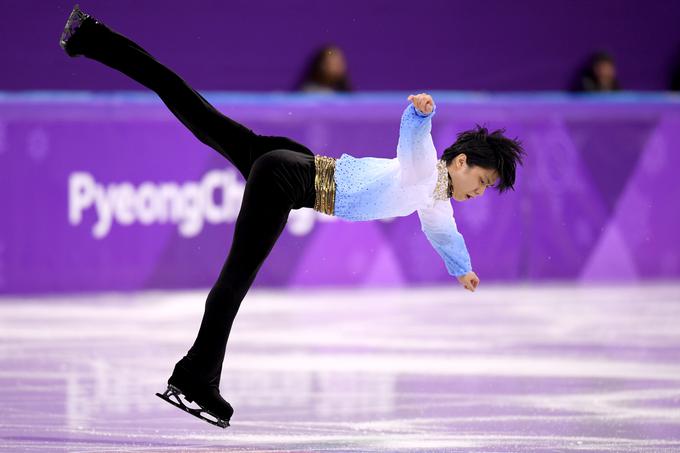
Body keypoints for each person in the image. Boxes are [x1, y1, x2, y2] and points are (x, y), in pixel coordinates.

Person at [59, 5, 526, 429]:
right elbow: (414, 144)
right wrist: (422, 114)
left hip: (294, 164)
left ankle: (91, 37)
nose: (478, 192)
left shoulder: (436, 196)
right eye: (482, 182)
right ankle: (197, 376)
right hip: (286, 178)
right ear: (461, 163)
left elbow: (442, 230)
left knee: (191, 107)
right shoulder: (426, 170)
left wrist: (460, 267)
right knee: (234, 280)